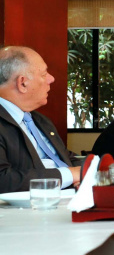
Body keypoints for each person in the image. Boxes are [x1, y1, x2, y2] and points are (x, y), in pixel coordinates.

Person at [0, 46, 81, 192]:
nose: (51, 79)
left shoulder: (39, 120)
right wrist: (69, 175)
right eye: (44, 74)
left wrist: (100, 168)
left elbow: (66, 158)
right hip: (32, 203)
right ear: (23, 83)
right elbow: (3, 179)